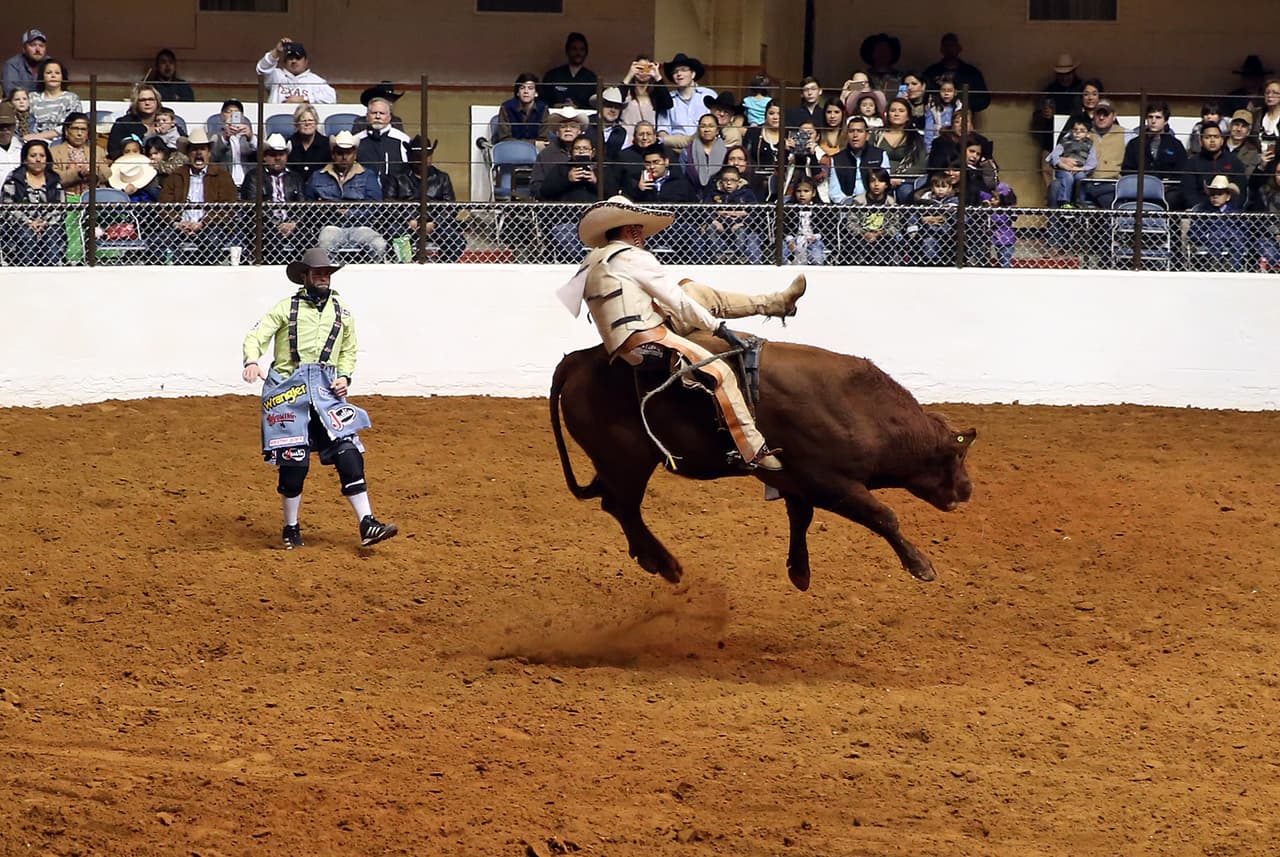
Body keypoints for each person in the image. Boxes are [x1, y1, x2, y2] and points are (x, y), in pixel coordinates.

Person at [562, 196, 810, 471]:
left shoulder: (593, 260)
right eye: (639, 229)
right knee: (721, 373)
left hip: (624, 338)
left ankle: (776, 303)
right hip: (647, 338)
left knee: (693, 291)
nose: (643, 234)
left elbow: (578, 302)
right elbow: (677, 303)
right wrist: (717, 328)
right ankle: (752, 450)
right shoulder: (633, 257)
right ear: (630, 230)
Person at [241, 247, 398, 549]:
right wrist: (251, 360)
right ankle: (290, 527)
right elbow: (256, 336)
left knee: (347, 450)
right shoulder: (285, 308)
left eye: (327, 272)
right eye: (318, 272)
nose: (324, 277)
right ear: (305, 276)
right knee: (294, 462)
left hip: (326, 391)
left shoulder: (342, 312)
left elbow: (349, 349)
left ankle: (367, 522)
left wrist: (345, 376)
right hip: (288, 391)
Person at [157, 127, 238, 262]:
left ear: (209, 153)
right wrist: (179, 223)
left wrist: (203, 223)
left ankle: (203, 268)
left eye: (203, 149)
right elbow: (164, 205)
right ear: (188, 154)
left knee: (212, 241)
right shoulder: (176, 175)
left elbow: (228, 208)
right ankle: (182, 266)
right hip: (180, 226)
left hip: (211, 227)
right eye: (194, 149)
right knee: (158, 242)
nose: (199, 153)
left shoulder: (222, 176)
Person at [382, 135, 465, 264]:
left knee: (457, 241)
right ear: (410, 156)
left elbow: (450, 207)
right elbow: (389, 204)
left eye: (426, 156)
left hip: (435, 224)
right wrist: (409, 220)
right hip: (405, 224)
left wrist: (434, 222)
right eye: (418, 156)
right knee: (395, 233)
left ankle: (441, 267)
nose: (422, 160)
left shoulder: (442, 177)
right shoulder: (396, 177)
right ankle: (405, 266)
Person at [306, 130, 386, 262]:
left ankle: (369, 272)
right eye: (340, 153)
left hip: (361, 226)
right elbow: (308, 205)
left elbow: (376, 206)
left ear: (355, 155)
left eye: (348, 153)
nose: (344, 157)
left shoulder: (367, 175)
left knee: (379, 245)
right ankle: (332, 272)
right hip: (331, 225)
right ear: (333, 155)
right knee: (325, 244)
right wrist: (322, 209)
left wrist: (349, 213)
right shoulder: (318, 176)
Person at [538, 134, 612, 262]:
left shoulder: (602, 170)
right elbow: (545, 191)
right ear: (571, 152)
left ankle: (593, 262)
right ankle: (584, 263)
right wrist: (567, 179)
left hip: (598, 222)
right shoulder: (561, 169)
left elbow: (613, 193)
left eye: (585, 148)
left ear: (593, 152)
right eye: (577, 148)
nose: (581, 151)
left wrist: (596, 182)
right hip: (569, 221)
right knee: (562, 233)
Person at [240, 133, 307, 264]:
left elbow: (302, 205)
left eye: (281, 154)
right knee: (271, 238)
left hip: (292, 225)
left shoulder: (295, 177)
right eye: (273, 154)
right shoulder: (253, 176)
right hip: (265, 226)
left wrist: (293, 223)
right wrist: (276, 225)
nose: (277, 158)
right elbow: (253, 207)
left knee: (308, 238)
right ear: (264, 157)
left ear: (286, 156)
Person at [1, 138, 65, 265]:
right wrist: (29, 222)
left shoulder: (54, 180)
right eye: (33, 156)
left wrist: (44, 223)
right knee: (27, 235)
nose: (38, 159)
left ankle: (52, 272)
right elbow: (8, 208)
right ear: (25, 159)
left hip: (48, 225)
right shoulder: (13, 180)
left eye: (42, 156)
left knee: (52, 236)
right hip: (19, 226)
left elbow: (60, 208)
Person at [1121, 101, 1188, 210]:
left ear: (1165, 121)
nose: (1153, 121)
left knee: (1175, 198)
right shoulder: (1135, 144)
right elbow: (1126, 169)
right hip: (1139, 189)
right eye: (1150, 117)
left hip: (1167, 190)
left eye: (1158, 117)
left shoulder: (1176, 145)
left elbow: (1182, 170)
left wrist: (1168, 182)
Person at [702, 164, 763, 264]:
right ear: (721, 181)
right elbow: (705, 210)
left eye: (733, 180)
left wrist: (743, 222)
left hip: (738, 225)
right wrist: (713, 221)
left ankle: (739, 256)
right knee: (710, 228)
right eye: (725, 180)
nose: (729, 183)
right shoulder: (714, 193)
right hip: (720, 226)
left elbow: (755, 212)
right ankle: (718, 255)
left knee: (741, 231)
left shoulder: (746, 193)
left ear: (739, 181)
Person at [529, 106, 592, 199]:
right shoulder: (545, 155)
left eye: (573, 126)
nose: (568, 129)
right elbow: (536, 188)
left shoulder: (589, 152)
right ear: (557, 132)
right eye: (563, 126)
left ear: (579, 131)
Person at [657, 53, 716, 151]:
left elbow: (717, 123)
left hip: (704, 147)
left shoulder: (708, 95)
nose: (679, 74)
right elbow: (662, 131)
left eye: (683, 70)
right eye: (675, 71)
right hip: (675, 150)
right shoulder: (667, 99)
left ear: (693, 74)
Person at [921, 33, 990, 114]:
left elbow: (984, 100)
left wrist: (964, 105)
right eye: (946, 46)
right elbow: (923, 96)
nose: (949, 49)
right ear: (941, 49)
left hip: (964, 117)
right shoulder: (931, 72)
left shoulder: (972, 73)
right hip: (936, 116)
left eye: (952, 45)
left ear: (959, 48)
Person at [1187, 176, 1246, 271]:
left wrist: (1228, 234)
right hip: (1210, 242)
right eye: (1212, 194)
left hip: (1232, 241)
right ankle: (1214, 267)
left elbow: (1244, 231)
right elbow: (1193, 233)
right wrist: (1207, 236)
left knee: (1236, 239)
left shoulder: (1235, 213)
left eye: (1219, 194)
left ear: (1228, 197)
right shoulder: (1203, 211)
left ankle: (1234, 269)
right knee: (1216, 236)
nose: (1215, 197)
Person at [1181, 122, 1246, 209]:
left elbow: (1241, 192)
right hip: (1200, 211)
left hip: (1229, 211)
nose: (1212, 140)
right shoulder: (1192, 163)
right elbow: (1188, 193)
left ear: (1222, 140)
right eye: (1207, 137)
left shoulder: (1234, 162)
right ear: (1201, 141)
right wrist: (1203, 209)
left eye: (1216, 137)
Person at [827, 115, 889, 205]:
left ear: (867, 135)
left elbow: (884, 184)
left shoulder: (880, 155)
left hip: (874, 203)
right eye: (851, 131)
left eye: (860, 131)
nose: (855, 135)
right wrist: (848, 203)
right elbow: (835, 191)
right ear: (847, 135)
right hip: (847, 205)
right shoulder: (837, 159)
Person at [1077, 98, 1127, 208]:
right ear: (1093, 115)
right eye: (1098, 114)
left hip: (1114, 183)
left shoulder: (1126, 135)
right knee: (1056, 187)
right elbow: (1061, 149)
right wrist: (1062, 161)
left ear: (1114, 116)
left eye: (1106, 114)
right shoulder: (1082, 132)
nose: (1101, 117)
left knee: (1107, 197)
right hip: (1086, 181)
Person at [256, 37, 336, 104]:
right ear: (285, 61)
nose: (294, 61)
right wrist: (276, 51)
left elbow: (332, 98)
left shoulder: (315, 80)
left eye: (298, 58)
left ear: (306, 61)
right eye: (290, 58)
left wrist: (304, 99)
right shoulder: (276, 75)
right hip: (277, 116)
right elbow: (261, 69)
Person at [50, 112, 108, 198]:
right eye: (75, 129)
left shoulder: (97, 151)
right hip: (66, 198)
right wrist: (78, 173)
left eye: (83, 129)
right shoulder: (53, 152)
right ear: (66, 131)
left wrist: (95, 170)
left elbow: (107, 175)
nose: (79, 133)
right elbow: (54, 179)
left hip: (94, 198)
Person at [619, 55, 673, 145]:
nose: (643, 72)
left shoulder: (655, 94)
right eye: (639, 68)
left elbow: (668, 104)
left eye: (647, 68)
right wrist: (629, 75)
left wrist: (657, 76)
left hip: (648, 141)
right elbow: (616, 99)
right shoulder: (626, 92)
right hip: (627, 141)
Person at [1046, 113, 1096, 207]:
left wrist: (1079, 169)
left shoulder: (1090, 145)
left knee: (1081, 177)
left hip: (1079, 170)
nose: (1077, 132)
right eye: (1075, 129)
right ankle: (1064, 201)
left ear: (1088, 133)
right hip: (1063, 170)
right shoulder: (1065, 141)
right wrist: (1062, 164)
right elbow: (1053, 155)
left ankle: (1080, 201)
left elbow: (1092, 162)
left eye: (1082, 130)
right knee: (1067, 176)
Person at [354, 96, 410, 178]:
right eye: (374, 113)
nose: (378, 116)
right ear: (367, 117)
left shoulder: (403, 140)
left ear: (390, 117)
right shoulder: (356, 140)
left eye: (382, 113)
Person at [540, 32, 598, 110]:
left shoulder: (592, 79)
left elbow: (595, 107)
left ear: (586, 53)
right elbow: (542, 102)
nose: (578, 53)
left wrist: (578, 107)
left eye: (582, 49)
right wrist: (555, 105)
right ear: (567, 51)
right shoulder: (552, 76)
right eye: (574, 49)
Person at [28, 58, 80, 142]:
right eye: (49, 73)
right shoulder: (32, 97)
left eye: (57, 73)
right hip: (32, 141)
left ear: (62, 76)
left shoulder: (72, 98)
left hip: (62, 141)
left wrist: (38, 136)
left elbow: (72, 125)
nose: (53, 76)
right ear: (42, 76)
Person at [107, 84, 165, 159]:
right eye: (143, 100)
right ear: (136, 102)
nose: (147, 103)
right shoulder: (123, 124)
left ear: (157, 101)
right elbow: (113, 151)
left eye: (151, 99)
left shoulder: (167, 121)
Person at [211, 98, 258, 188]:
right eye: (228, 112)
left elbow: (263, 158)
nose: (232, 115)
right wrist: (225, 138)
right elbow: (212, 158)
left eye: (236, 112)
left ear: (242, 117)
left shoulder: (252, 137)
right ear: (222, 116)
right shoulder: (214, 137)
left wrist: (251, 138)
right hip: (224, 184)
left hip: (249, 185)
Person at [781, 176, 827, 265]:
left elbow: (827, 228)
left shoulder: (821, 208)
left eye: (806, 191)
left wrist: (816, 236)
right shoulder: (789, 207)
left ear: (813, 193)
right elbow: (783, 227)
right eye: (799, 191)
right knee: (782, 254)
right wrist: (789, 240)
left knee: (817, 258)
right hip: (793, 238)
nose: (802, 194)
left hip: (813, 239)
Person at [681, 113, 727, 193]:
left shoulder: (727, 152)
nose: (707, 130)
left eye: (711, 126)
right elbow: (682, 178)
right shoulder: (686, 152)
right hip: (692, 194)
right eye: (703, 126)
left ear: (717, 130)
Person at [286, 104, 329, 181]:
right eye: (303, 121)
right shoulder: (288, 143)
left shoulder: (327, 144)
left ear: (316, 123)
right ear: (296, 125)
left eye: (310, 120)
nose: (307, 124)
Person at [3, 28, 45, 99]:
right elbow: (11, 94)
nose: (38, 49)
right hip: (19, 104)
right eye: (33, 45)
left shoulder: (51, 63)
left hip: (46, 104)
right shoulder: (13, 64)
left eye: (41, 46)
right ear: (24, 49)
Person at [860, 33, 903, 101]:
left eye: (886, 50)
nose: (882, 53)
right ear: (871, 53)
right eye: (879, 50)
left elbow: (904, 99)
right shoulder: (861, 76)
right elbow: (854, 96)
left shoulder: (900, 77)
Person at [0, 103, 20, 177]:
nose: (5, 129)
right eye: (1, 125)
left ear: (14, 126)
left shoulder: (24, 148)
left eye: (9, 125)